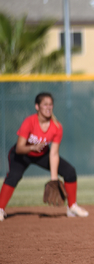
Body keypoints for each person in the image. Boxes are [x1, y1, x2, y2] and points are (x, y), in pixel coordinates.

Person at [0, 92, 89, 221]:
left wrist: (54, 179)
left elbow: (53, 153)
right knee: (14, 176)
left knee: (69, 171)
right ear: (37, 107)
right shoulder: (29, 122)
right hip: (22, 154)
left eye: (51, 104)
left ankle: (72, 207)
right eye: (45, 104)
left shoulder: (57, 126)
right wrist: (32, 147)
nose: (48, 107)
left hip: (41, 154)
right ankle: (0, 208)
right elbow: (19, 148)